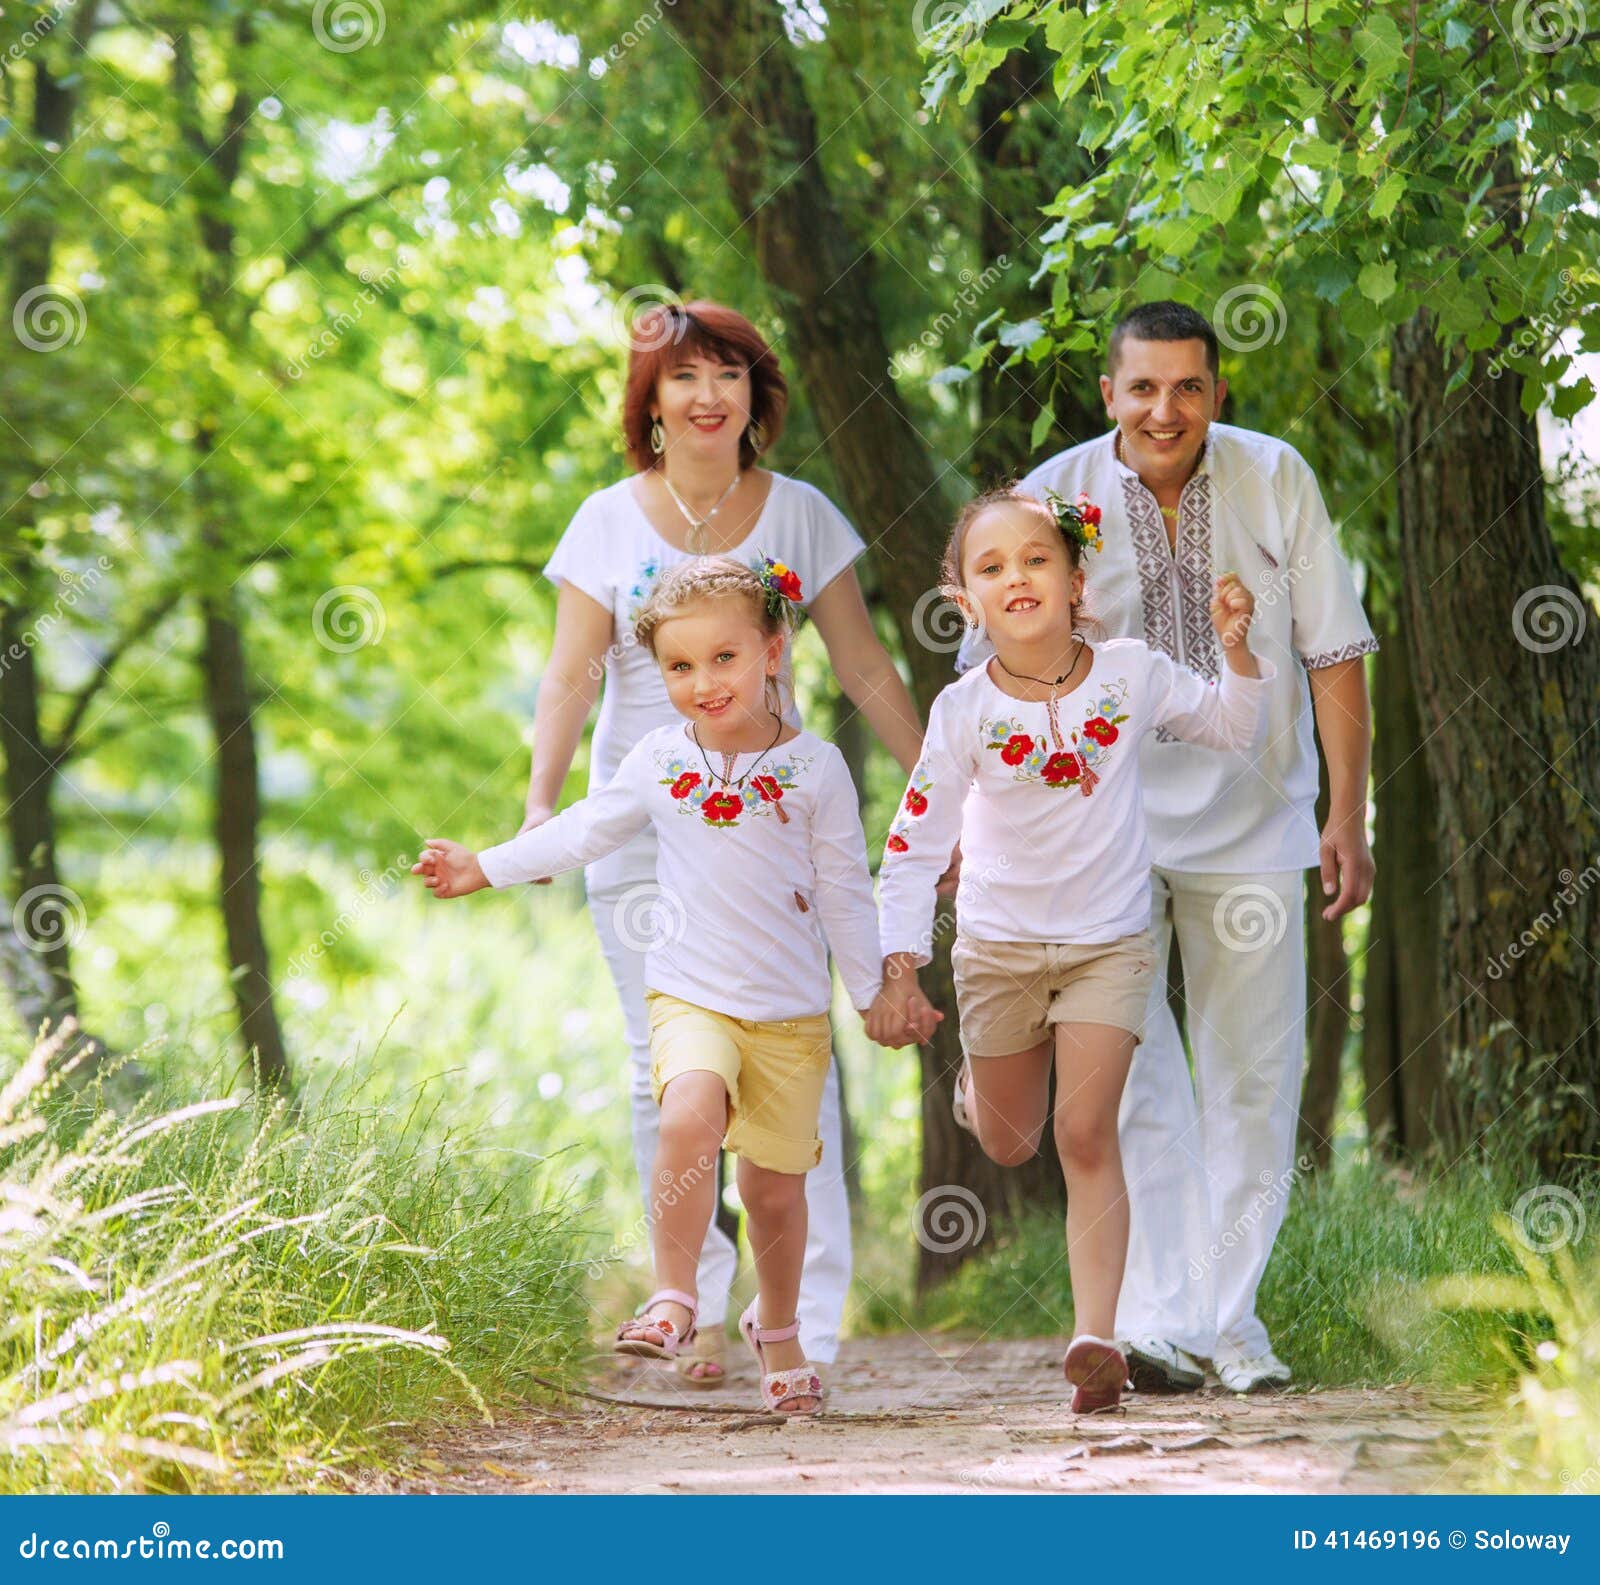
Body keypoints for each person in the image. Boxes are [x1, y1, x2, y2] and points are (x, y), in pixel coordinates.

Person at [522, 299, 924, 1382]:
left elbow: (865, 669)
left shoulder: (799, 515)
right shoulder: (605, 520)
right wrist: (537, 810)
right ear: (647, 402)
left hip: (768, 829)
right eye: (682, 378)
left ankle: (807, 1316)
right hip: (639, 825)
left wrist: (943, 785)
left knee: (797, 1064)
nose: (707, 396)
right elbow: (570, 675)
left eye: (728, 376)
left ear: (756, 397)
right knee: (664, 1075)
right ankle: (687, 1304)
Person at [415, 559, 920, 1413]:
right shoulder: (657, 759)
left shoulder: (816, 769)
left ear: (771, 648)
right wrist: (486, 866)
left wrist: (875, 991)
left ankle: (782, 1327)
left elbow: (842, 889)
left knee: (772, 1191)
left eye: (723, 659)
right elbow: (581, 832)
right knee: (687, 1110)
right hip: (690, 993)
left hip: (790, 1015)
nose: (702, 683)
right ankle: (676, 1294)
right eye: (679, 668)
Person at [984, 299, 1377, 1394]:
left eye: (1188, 387)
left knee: (1254, 1071)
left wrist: (1344, 813)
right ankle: (1159, 1315)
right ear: (1108, 394)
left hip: (1254, 818)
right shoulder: (1052, 497)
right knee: (1131, 1073)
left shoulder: (1272, 477)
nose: (1166, 409)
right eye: (1143, 388)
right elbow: (1001, 672)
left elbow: (1334, 649)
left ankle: (1226, 1320)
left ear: (1215, 391)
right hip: (1097, 828)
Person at [871, 486, 1271, 1412]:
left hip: (1109, 944)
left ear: (1074, 577)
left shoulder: (1129, 673)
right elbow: (915, 844)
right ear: (965, 600)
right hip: (999, 950)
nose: (1018, 576)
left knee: (1084, 1133)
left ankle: (1097, 1336)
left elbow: (1229, 726)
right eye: (992, 566)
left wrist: (1237, 651)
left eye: (1036, 559)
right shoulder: (962, 709)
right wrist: (899, 967)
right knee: (1011, 1142)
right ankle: (980, 1088)